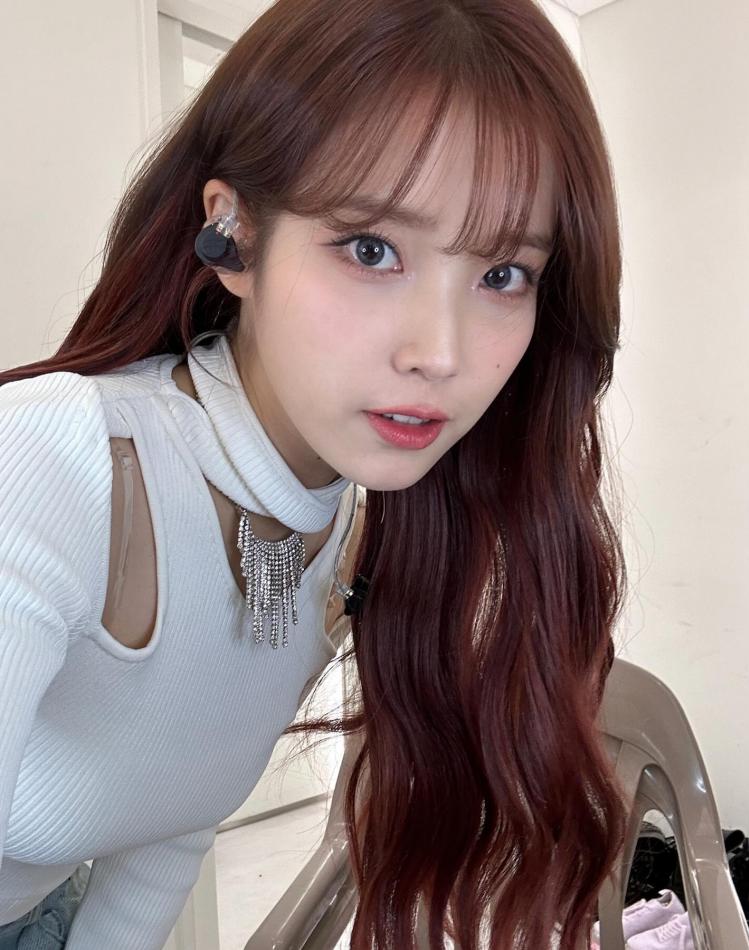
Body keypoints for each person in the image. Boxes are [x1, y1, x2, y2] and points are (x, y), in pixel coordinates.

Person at [0, 0, 630, 946]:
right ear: (235, 233)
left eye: (503, 274)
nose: (440, 354)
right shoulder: (51, 463)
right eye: (372, 249)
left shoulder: (348, 528)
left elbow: (175, 819)